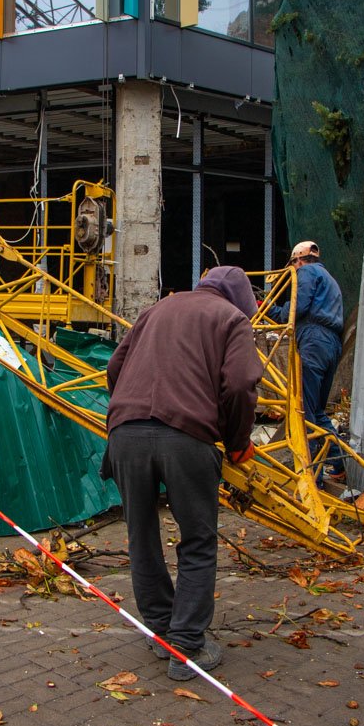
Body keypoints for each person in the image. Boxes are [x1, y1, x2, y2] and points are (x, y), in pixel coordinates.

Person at [103, 265, 263, 681]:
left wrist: (129, 411)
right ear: (240, 300)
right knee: (197, 540)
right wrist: (236, 440)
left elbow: (114, 369)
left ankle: (160, 631)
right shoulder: (232, 319)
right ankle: (186, 645)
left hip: (125, 434)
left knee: (142, 535)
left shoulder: (157, 309)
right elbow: (242, 384)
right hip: (187, 436)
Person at [270, 240, 346, 483]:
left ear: (298, 260)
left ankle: (311, 477)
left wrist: (276, 312)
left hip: (313, 340)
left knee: (304, 412)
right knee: (317, 410)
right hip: (331, 344)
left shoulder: (306, 271)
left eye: (293, 264)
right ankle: (338, 462)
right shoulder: (329, 279)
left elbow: (297, 308)